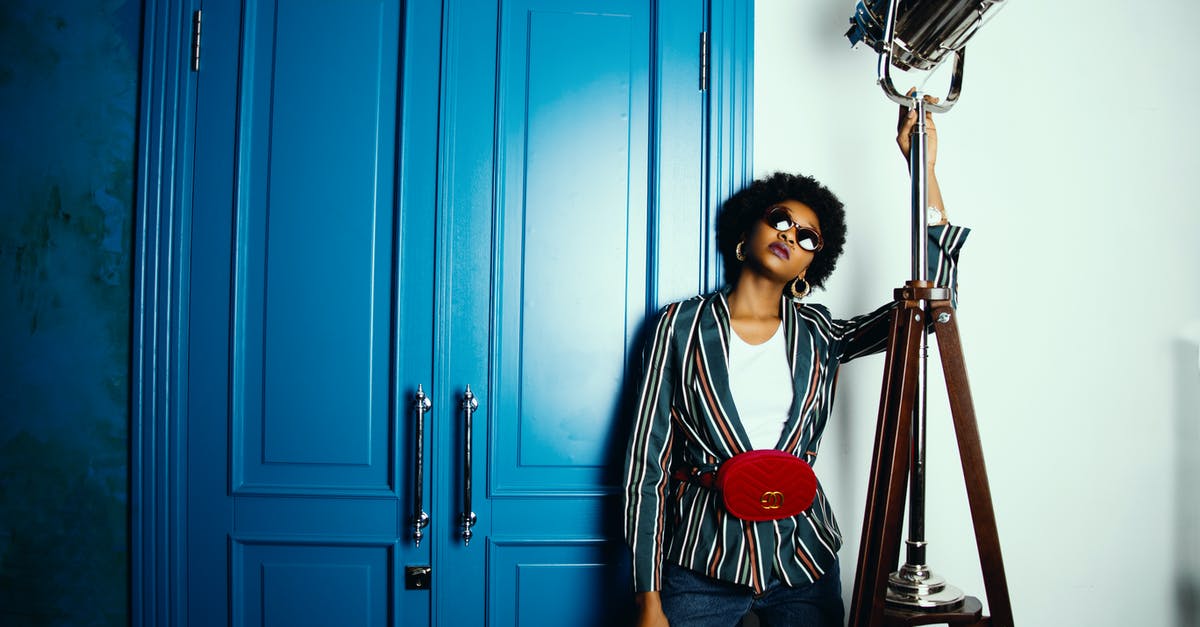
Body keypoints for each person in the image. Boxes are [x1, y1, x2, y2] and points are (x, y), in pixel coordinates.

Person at [622, 97, 969, 627]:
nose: (790, 234)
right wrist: (648, 601)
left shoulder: (818, 332)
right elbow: (646, 466)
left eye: (808, 236)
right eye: (780, 220)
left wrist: (922, 168)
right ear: (745, 236)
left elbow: (930, 308)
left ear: (812, 264)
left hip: (803, 559)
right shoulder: (679, 326)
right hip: (700, 564)